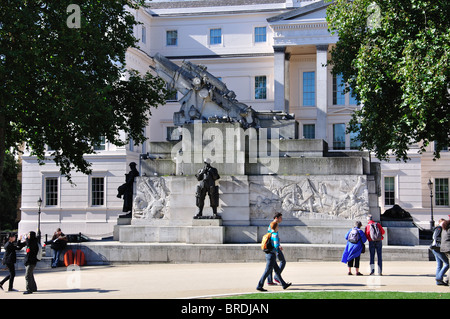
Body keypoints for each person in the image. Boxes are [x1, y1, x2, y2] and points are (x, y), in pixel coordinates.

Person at [256, 220, 292, 291]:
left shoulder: (269, 233)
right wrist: (279, 247)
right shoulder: (275, 234)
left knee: (277, 270)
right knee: (267, 271)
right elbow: (276, 245)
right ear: (276, 227)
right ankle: (259, 286)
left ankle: (284, 284)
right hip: (272, 255)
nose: (278, 227)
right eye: (277, 226)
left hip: (268, 254)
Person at [267, 213, 286, 286]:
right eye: (280, 217)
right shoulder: (273, 224)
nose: (281, 219)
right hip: (274, 247)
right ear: (276, 218)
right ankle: (276, 277)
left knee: (271, 264)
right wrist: (278, 246)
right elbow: (273, 235)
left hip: (273, 246)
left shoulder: (273, 224)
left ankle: (270, 280)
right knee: (282, 261)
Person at [430, 219, 449, 286]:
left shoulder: (439, 228)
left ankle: (438, 281)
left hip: (435, 248)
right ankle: (438, 278)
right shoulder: (439, 228)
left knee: (439, 264)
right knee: (447, 263)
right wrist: (443, 241)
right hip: (437, 248)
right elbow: (435, 237)